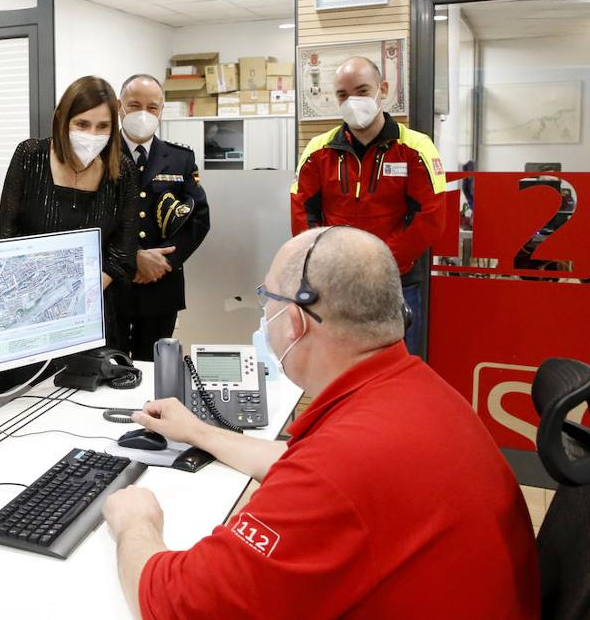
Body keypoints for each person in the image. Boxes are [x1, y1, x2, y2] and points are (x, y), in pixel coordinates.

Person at [103, 226, 540, 620]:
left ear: (294, 322)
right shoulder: (415, 392)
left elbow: (175, 604)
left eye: (267, 298)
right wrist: (197, 431)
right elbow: (299, 462)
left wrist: (136, 522)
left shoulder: (340, 467)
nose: (264, 313)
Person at [290, 56, 445, 356]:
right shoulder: (318, 150)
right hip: (335, 282)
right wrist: (327, 263)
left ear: (382, 89)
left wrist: (376, 264)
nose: (352, 101)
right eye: (343, 95)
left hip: (396, 284)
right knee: (339, 364)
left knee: (397, 367)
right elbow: (302, 214)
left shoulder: (416, 147)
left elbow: (429, 218)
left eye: (362, 91)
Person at [0, 75, 139, 390]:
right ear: (61, 119)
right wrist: (44, 296)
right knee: (24, 400)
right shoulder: (30, 156)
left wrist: (77, 295)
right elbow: (6, 236)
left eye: (103, 127)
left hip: (91, 316)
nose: (92, 135)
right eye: (82, 124)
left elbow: (123, 254)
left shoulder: (122, 172)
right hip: (29, 313)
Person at [112, 74, 210, 362]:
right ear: (119, 106)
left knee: (157, 370)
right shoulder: (101, 156)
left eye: (152, 107)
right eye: (134, 105)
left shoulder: (180, 158)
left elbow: (198, 218)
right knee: (111, 369)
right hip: (113, 285)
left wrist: (165, 261)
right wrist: (133, 258)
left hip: (161, 287)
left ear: (161, 110)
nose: (143, 113)